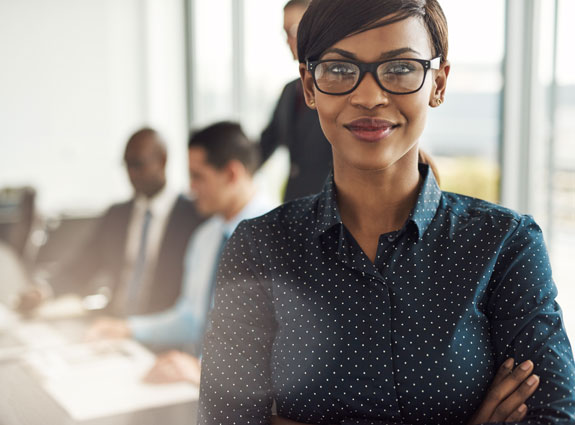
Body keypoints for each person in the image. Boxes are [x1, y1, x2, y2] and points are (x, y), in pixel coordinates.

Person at [198, 1, 575, 424]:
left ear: (439, 83)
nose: (369, 96)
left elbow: (552, 416)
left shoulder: (505, 245)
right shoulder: (259, 247)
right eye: (339, 70)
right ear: (309, 86)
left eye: (399, 68)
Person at [87, 122, 275, 383]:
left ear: (232, 174)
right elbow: (190, 319)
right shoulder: (205, 238)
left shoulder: (283, 239)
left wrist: (205, 370)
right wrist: (128, 328)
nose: (190, 189)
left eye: (198, 177)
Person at [20, 128, 203, 316]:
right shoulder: (117, 215)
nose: (131, 174)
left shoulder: (192, 216)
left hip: (164, 332)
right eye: (127, 165)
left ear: (162, 160)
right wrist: (43, 290)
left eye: (138, 164)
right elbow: (82, 265)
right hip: (113, 325)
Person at [259, 0, 333, 202]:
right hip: (294, 202)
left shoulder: (338, 88)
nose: (287, 40)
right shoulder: (290, 90)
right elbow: (266, 142)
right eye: (285, 32)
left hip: (329, 205)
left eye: (293, 30)